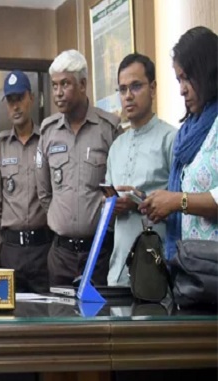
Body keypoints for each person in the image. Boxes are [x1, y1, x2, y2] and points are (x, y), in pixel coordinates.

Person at [36, 49, 121, 287]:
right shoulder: (48, 131)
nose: (58, 93)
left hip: (100, 252)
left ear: (82, 84)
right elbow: (44, 193)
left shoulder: (108, 129)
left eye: (65, 84)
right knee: (59, 311)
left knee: (100, 311)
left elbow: (118, 190)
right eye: (54, 85)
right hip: (61, 254)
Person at [140, 26, 218, 256]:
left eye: (187, 78)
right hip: (192, 264)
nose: (182, 90)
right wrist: (156, 202)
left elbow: (185, 199)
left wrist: (177, 202)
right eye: (178, 80)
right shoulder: (189, 130)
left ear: (207, 72)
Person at [105, 53, 176, 286]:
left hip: (157, 275)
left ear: (153, 88)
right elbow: (109, 214)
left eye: (136, 86)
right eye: (122, 89)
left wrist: (140, 202)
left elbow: (184, 209)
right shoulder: (116, 147)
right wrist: (111, 206)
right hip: (118, 274)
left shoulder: (171, 140)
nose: (128, 96)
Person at [0, 70, 51, 293]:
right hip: (11, 251)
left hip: (43, 249)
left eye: (20, 98)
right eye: (10, 100)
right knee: (10, 313)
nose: (15, 106)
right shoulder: (0, 146)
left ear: (31, 98)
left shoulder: (46, 140)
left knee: (47, 311)